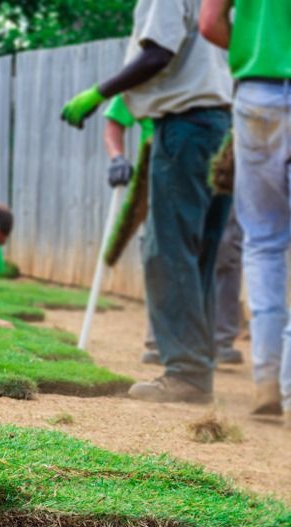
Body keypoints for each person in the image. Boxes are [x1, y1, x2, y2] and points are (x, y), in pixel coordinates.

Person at [61, 0, 233, 404]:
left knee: (168, 251)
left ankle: (186, 373)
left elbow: (159, 52)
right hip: (220, 126)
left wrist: (99, 91)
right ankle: (196, 370)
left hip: (185, 126)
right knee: (200, 253)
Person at [103, 95, 245, 367]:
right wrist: (117, 158)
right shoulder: (152, 75)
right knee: (163, 254)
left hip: (219, 165)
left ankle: (217, 340)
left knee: (223, 252)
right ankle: (159, 341)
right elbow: (114, 119)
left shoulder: (219, 71)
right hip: (164, 167)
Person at [201, 0, 291, 427]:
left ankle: (267, 382)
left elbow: (209, 23)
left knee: (263, 242)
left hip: (256, 95)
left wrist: (255, 50)